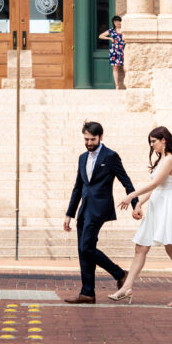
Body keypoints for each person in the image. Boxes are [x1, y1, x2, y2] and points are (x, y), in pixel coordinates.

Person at [108, 125, 172, 307]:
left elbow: (155, 184)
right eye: (150, 142)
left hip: (167, 207)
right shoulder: (161, 159)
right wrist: (140, 202)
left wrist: (131, 196)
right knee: (140, 247)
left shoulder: (170, 159)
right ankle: (127, 287)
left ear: (163, 140)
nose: (152, 145)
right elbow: (156, 188)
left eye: (154, 141)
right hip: (156, 204)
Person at [63, 120, 138, 304]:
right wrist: (69, 214)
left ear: (101, 137)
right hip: (83, 210)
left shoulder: (110, 156)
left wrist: (136, 203)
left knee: (86, 247)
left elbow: (126, 181)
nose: (89, 143)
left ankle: (120, 274)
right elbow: (78, 187)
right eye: (86, 139)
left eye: (92, 139)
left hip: (99, 209)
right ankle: (87, 293)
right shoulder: (82, 157)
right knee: (84, 251)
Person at [98, 15, 125, 90]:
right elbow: (100, 36)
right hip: (114, 51)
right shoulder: (111, 31)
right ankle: (117, 86)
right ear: (113, 22)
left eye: (119, 21)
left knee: (125, 67)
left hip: (123, 50)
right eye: (116, 21)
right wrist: (109, 38)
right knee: (115, 68)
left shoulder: (124, 30)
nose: (117, 23)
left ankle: (129, 84)